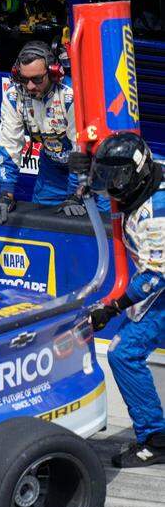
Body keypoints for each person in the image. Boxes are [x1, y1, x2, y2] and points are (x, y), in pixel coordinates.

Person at [79, 133, 165, 468]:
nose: (111, 187)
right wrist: (86, 171)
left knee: (123, 353)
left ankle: (156, 439)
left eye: (117, 180)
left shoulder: (157, 215)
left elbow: (156, 277)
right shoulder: (144, 167)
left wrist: (113, 308)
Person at [0, 41, 85, 223]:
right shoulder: (14, 96)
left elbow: (81, 149)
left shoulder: (70, 95)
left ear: (54, 73)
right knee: (42, 226)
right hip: (51, 172)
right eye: (24, 80)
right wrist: (6, 195)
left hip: (89, 174)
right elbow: (8, 146)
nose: (30, 86)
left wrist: (75, 194)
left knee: (101, 232)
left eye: (37, 79)